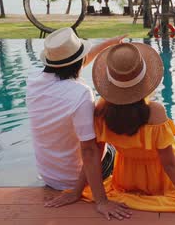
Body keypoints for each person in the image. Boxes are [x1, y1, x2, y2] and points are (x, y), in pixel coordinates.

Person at [47, 42, 175, 225]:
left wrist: (86, 195)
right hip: (161, 180)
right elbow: (170, 164)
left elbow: (93, 154)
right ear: (144, 78)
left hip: (127, 178)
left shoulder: (100, 109)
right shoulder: (155, 112)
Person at [26, 28, 130, 219]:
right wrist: (101, 201)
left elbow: (75, 64)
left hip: (49, 174)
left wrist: (109, 42)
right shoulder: (80, 93)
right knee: (107, 137)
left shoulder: (33, 82)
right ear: (78, 63)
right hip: (73, 179)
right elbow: (90, 150)